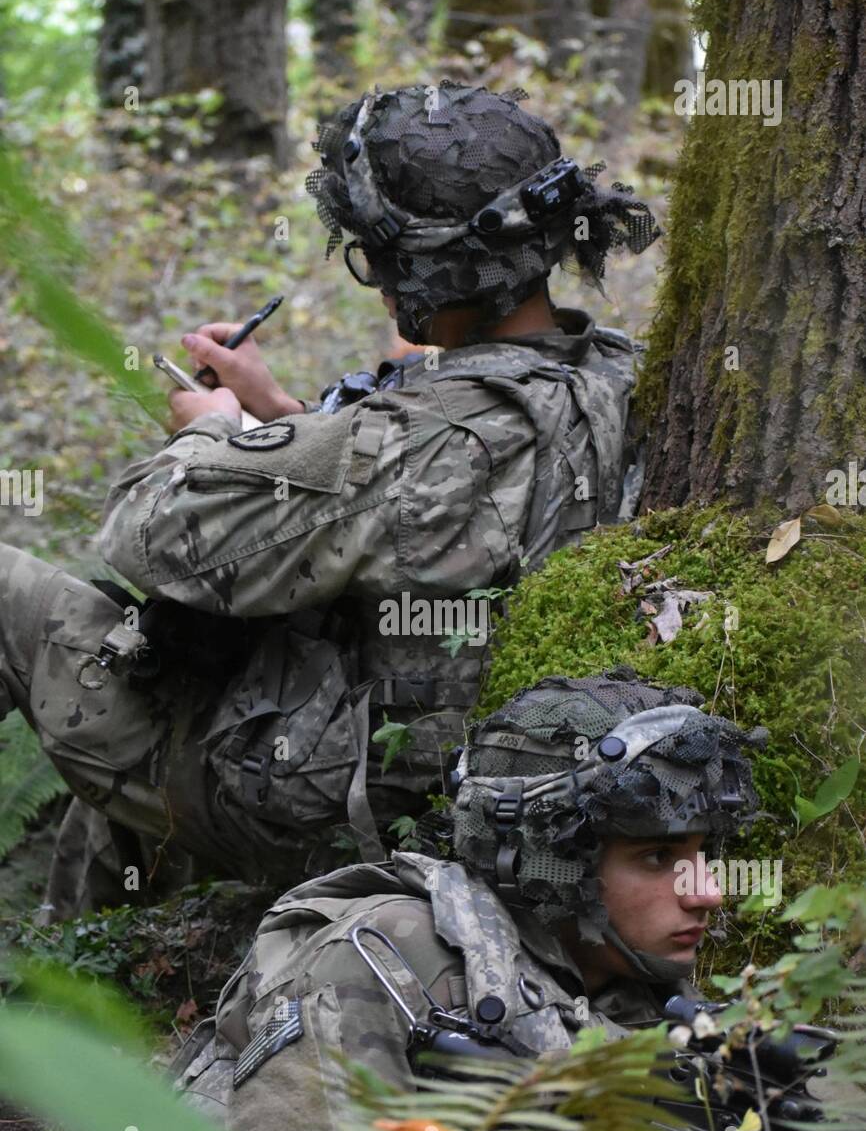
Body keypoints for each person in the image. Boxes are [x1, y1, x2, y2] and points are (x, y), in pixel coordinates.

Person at [1, 80, 659, 921]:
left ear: (416, 268)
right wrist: (283, 419)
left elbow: (148, 533)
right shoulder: (613, 370)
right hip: (480, 791)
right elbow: (411, 501)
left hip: (338, 814)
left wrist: (210, 433)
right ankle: (95, 979)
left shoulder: (417, 440)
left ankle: (67, 991)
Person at [87, 667, 768, 1131]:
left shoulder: (631, 989)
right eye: (658, 858)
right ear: (556, 862)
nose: (706, 890)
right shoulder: (379, 956)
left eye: (706, 853)